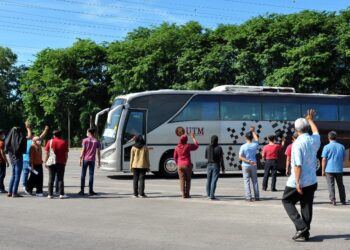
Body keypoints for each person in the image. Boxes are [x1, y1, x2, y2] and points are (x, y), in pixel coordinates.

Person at [282, 109, 320, 241]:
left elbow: (297, 165)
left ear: (295, 129)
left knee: (286, 200)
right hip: (312, 180)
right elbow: (316, 132)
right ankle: (305, 232)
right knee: (306, 206)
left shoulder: (297, 143)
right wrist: (310, 119)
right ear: (307, 127)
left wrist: (297, 183)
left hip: (299, 181)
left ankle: (301, 227)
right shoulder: (314, 140)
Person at [22, 123, 48, 194]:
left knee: (36, 176)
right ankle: (27, 187)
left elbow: (41, 137)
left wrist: (45, 130)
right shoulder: (31, 144)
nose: (39, 140)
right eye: (38, 139)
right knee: (31, 175)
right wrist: (28, 128)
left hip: (36, 162)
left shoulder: (37, 145)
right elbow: (31, 156)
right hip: (30, 161)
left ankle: (36, 190)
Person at [321, 131, 347, 206]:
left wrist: (323, 170)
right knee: (340, 185)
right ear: (336, 137)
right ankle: (343, 200)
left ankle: (333, 200)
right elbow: (344, 158)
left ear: (328, 138)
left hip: (329, 169)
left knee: (330, 185)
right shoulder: (341, 146)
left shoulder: (326, 147)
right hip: (339, 169)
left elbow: (324, 159)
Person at [44, 129, 69, 199]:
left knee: (51, 178)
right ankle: (61, 194)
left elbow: (47, 153)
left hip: (51, 162)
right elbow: (66, 154)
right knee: (60, 178)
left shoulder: (50, 141)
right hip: (61, 162)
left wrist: (45, 162)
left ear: (54, 135)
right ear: (61, 135)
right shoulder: (64, 142)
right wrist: (65, 162)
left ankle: (50, 194)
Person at [174, 133, 198, 198]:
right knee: (188, 180)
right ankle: (187, 194)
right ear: (186, 140)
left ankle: (183, 194)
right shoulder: (187, 146)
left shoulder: (176, 147)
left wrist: (177, 164)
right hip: (187, 165)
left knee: (181, 180)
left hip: (180, 165)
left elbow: (175, 157)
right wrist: (193, 137)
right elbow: (196, 146)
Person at [239, 126, 260, 202]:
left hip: (245, 165)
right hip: (254, 164)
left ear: (245, 137)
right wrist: (253, 131)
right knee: (255, 180)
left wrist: (247, 161)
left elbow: (240, 157)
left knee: (246, 181)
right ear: (252, 138)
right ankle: (257, 196)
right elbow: (257, 139)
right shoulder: (255, 145)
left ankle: (248, 197)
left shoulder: (243, 146)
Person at [78, 128, 101, 196]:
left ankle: (82, 190)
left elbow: (83, 150)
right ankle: (90, 191)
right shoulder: (96, 141)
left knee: (83, 175)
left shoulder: (85, 140)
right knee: (91, 175)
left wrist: (80, 159)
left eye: (87, 132)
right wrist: (99, 161)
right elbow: (98, 152)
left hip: (85, 159)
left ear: (89, 133)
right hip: (92, 160)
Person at [5, 126, 27, 197]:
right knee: (17, 175)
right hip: (18, 159)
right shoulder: (19, 140)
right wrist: (28, 128)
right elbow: (27, 138)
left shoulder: (9, 140)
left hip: (12, 159)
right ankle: (14, 192)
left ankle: (10, 192)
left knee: (13, 175)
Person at [205, 135, 225, 200]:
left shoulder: (207, 147)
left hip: (208, 165)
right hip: (216, 165)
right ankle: (212, 195)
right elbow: (221, 159)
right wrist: (223, 168)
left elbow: (205, 157)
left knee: (208, 180)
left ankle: (208, 195)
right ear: (217, 140)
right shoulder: (219, 148)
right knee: (214, 180)